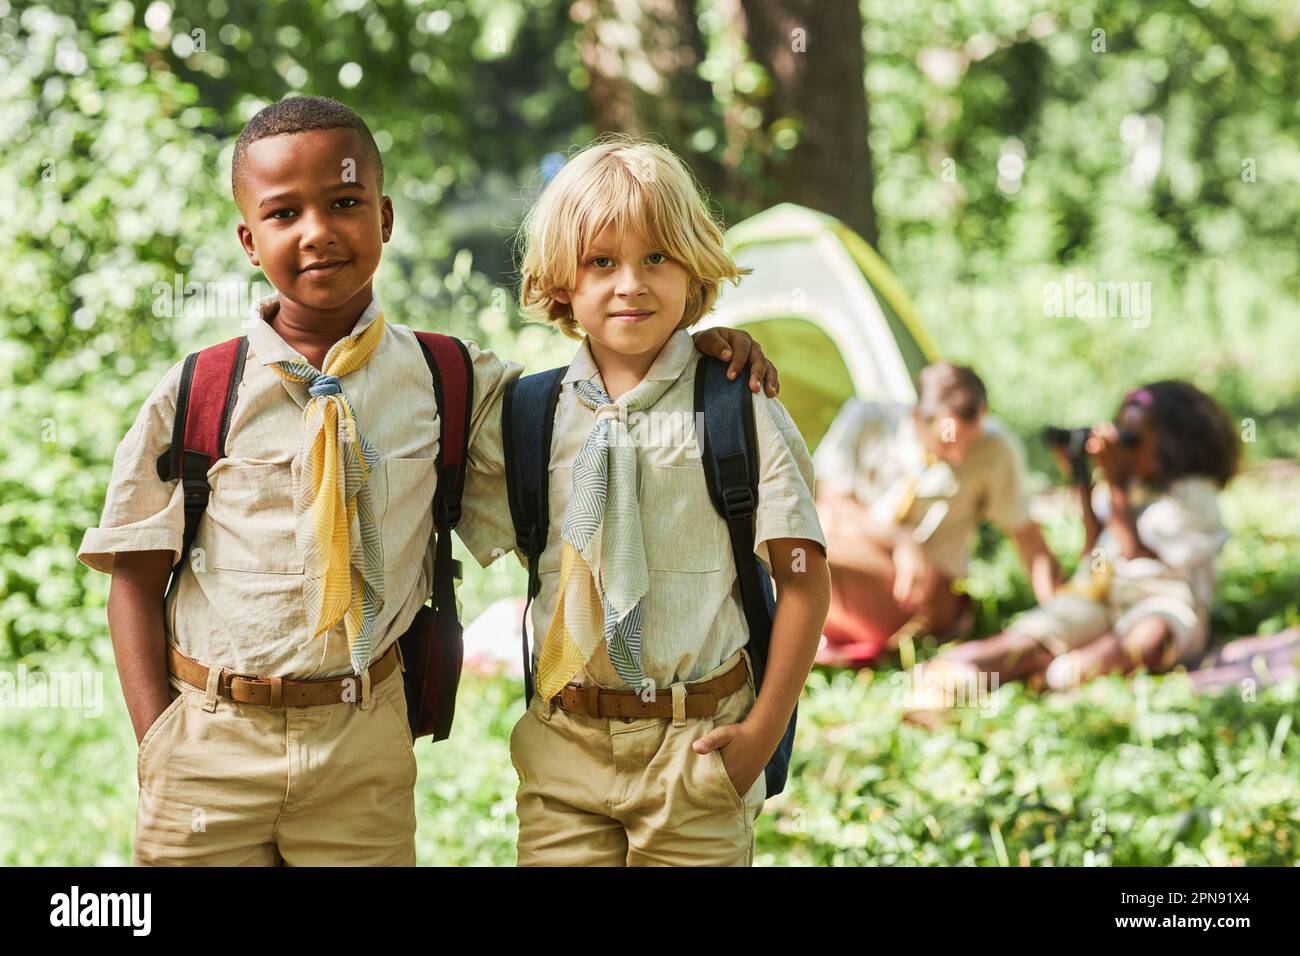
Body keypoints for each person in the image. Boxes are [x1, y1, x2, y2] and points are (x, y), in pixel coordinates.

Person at [77, 98, 778, 866]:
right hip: (208, 745)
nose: (318, 231)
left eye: (344, 203)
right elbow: (136, 579)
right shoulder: (198, 392)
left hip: (363, 743)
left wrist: (698, 349)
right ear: (249, 239)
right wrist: (160, 743)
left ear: (384, 217)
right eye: (284, 213)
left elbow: (598, 402)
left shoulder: (451, 380)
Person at [456, 136, 831, 866]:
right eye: (602, 261)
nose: (630, 283)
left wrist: (758, 738)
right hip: (564, 747)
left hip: (701, 743)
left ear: (694, 268)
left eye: (656, 257)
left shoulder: (737, 404)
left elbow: (805, 583)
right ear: (562, 280)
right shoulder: (528, 415)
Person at [925, 380, 1240, 691]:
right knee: (1046, 629)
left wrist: (1116, 485)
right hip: (1104, 599)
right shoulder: (1130, 486)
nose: (1126, 450)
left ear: (1173, 443)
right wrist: (1083, 480)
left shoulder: (1193, 495)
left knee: (1151, 635)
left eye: (1133, 440)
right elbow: (1095, 550)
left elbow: (1140, 560)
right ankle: (959, 669)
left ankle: (1062, 671)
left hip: (1163, 601)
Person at [813, 363, 1058, 667]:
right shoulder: (866, 419)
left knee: (811, 563)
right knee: (793, 547)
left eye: (968, 441)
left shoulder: (994, 448)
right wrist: (901, 541)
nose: (957, 456)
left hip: (923, 590)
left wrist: (1059, 615)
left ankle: (802, 630)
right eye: (946, 443)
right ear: (916, 418)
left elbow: (1027, 537)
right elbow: (829, 499)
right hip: (855, 553)